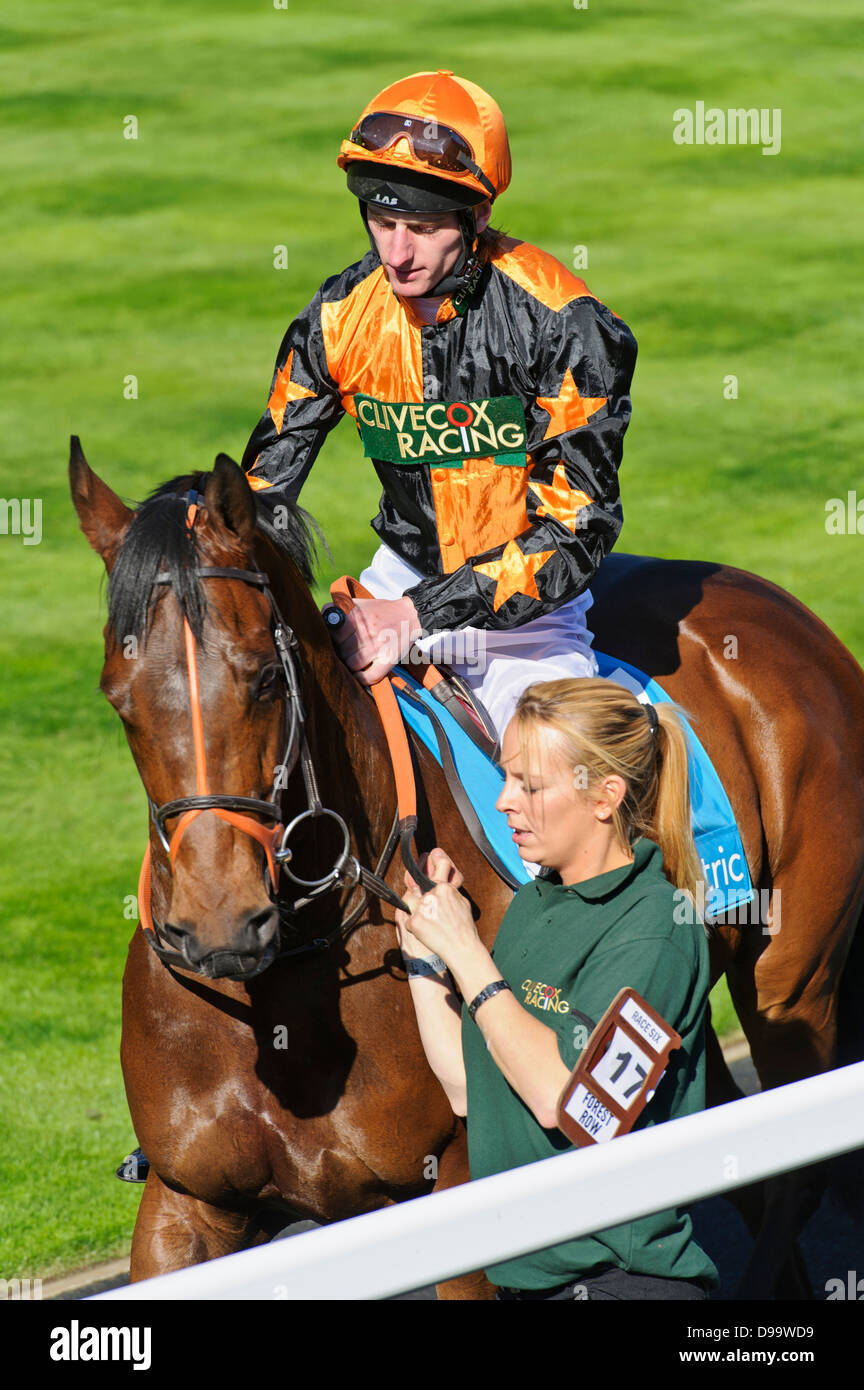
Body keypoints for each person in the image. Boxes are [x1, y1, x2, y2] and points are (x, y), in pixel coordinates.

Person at [242, 70, 638, 739]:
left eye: (422, 228)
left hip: (528, 630)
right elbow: (259, 491)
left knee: (556, 798)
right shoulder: (337, 319)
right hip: (393, 583)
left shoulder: (569, 326)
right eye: (383, 220)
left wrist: (421, 615)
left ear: (477, 215)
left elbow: (579, 529)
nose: (396, 254)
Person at [395, 677, 720, 1299]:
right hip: (527, 1283)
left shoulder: (655, 932)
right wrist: (424, 952)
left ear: (605, 797)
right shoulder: (535, 901)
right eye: (508, 779)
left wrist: (466, 949)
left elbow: (566, 1100)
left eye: (530, 786)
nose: (502, 802)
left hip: (618, 1284)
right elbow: (469, 1089)